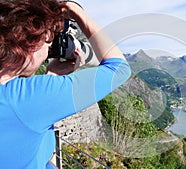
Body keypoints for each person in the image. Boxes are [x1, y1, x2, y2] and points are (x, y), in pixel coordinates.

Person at [0, 0, 131, 168]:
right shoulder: (27, 99)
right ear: (31, 43)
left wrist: (51, 77)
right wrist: (79, 14)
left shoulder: (20, 97)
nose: (48, 51)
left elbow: (24, 143)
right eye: (48, 42)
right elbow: (119, 69)